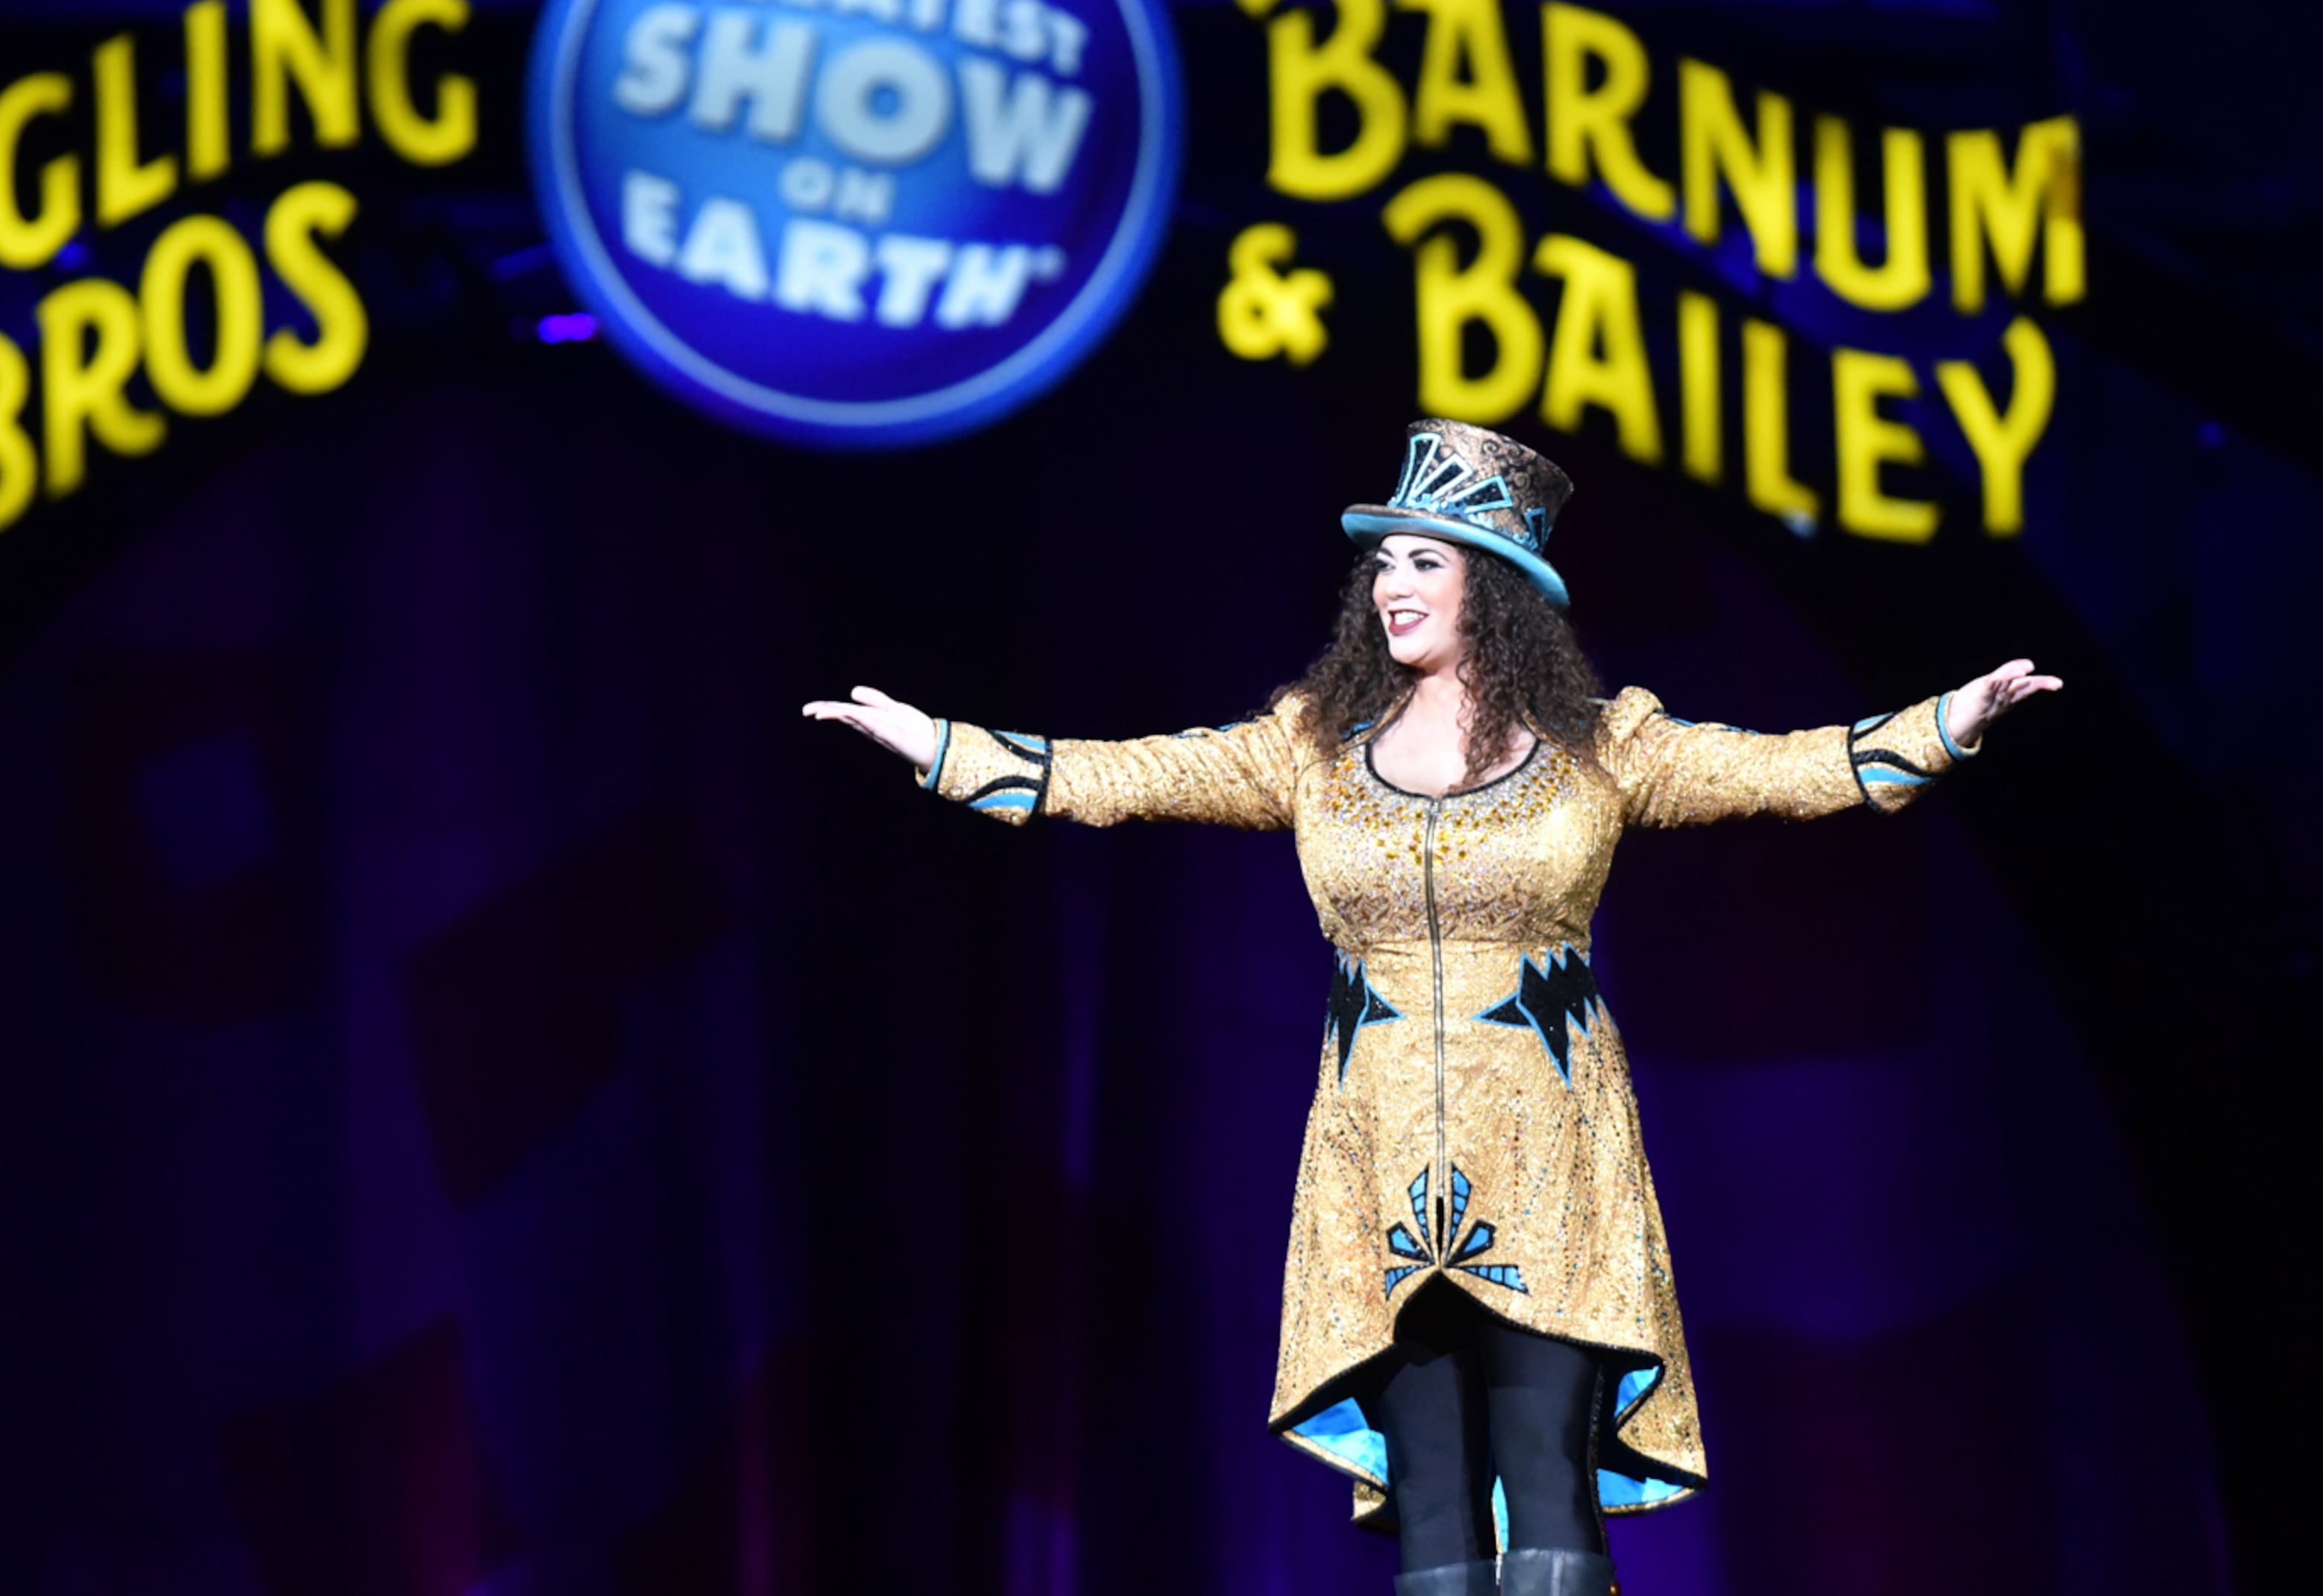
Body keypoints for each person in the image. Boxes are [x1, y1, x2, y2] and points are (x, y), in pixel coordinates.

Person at [802, 419, 2059, 1596]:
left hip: (1553, 1159)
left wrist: (1949, 722)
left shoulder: (1603, 746)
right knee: (1436, 1494)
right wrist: (942, 745)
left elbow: (1785, 770)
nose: (1393, 583)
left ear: (1495, 586)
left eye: (1425, 560)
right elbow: (1128, 775)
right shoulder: (1308, 747)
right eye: (1385, 562)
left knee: (1546, 1464)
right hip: (1375, 1161)